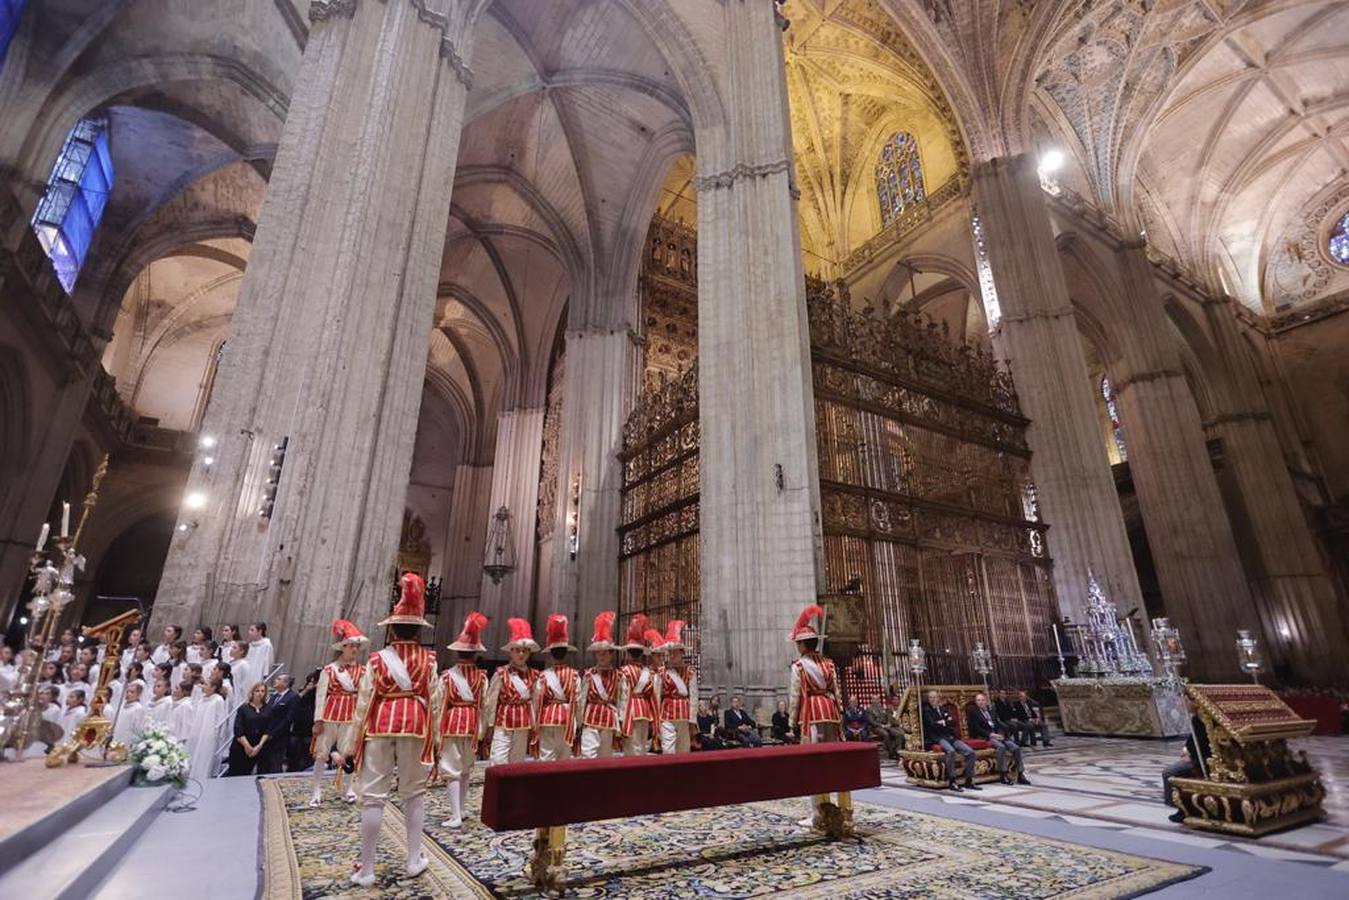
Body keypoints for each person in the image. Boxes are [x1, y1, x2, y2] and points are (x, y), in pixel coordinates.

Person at [340, 572, 441, 885]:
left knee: (373, 796)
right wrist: (436, 741)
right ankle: (413, 858)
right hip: (416, 725)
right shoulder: (429, 660)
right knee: (414, 794)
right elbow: (434, 701)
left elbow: (363, 703)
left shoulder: (376, 660)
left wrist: (349, 746)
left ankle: (367, 869)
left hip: (380, 725)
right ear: (418, 630)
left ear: (392, 629)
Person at [787, 604, 843, 827]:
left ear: (802, 645)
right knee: (832, 760)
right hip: (829, 711)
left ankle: (818, 813)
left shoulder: (799, 666)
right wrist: (840, 716)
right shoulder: (829, 664)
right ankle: (839, 807)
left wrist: (792, 722)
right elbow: (836, 693)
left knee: (814, 763)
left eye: (797, 643)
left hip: (811, 713)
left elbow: (794, 698)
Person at [436, 611, 488, 828]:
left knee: (451, 769)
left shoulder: (447, 677)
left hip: (452, 723)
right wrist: (483, 731)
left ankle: (456, 814)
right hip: (472, 724)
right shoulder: (482, 677)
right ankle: (463, 808)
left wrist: (436, 732)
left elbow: (439, 704)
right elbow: (484, 706)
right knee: (466, 768)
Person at [310, 619, 369, 807]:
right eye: (351, 646)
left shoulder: (363, 670)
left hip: (351, 713)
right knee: (321, 752)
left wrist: (363, 718)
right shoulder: (329, 669)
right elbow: (320, 695)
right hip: (330, 711)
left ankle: (349, 789)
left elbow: (364, 694)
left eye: (356, 647)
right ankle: (316, 790)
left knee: (349, 752)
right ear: (343, 647)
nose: (354, 650)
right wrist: (318, 719)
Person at [484, 618, 540, 765]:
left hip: (523, 723)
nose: (521, 654)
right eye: (517, 650)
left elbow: (535, 702)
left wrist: (534, 725)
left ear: (529, 653)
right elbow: (492, 700)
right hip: (503, 722)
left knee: (517, 762)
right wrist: (489, 726)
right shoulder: (501, 673)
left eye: (525, 651)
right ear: (511, 652)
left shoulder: (534, 675)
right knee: (498, 760)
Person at [576, 611, 623, 758]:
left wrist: (621, 721)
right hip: (590, 718)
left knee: (605, 757)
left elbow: (621, 700)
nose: (602, 656)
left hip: (609, 719)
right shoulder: (589, 675)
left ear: (611, 654)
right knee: (588, 755)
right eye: (599, 653)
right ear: (595, 654)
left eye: (606, 653)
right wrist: (578, 721)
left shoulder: (619, 675)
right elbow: (582, 699)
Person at [534, 614, 579, 761]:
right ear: (566, 653)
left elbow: (537, 700)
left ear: (551, 654)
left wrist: (535, 723)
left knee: (546, 758)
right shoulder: (574, 675)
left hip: (547, 718)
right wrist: (577, 722)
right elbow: (578, 700)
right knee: (565, 758)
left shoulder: (542, 676)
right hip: (567, 718)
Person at [619, 614, 659, 756]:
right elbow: (653, 697)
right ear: (642, 654)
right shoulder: (649, 673)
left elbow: (623, 696)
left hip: (631, 713)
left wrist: (621, 718)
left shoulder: (624, 672)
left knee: (631, 750)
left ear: (629, 653)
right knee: (642, 748)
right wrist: (655, 720)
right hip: (645, 713)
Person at [922, 690, 978, 791]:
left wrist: (943, 723)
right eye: (931, 697)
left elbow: (953, 722)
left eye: (935, 697)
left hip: (950, 736)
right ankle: (952, 781)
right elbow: (932, 725)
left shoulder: (944, 709)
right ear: (928, 699)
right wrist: (944, 722)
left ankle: (968, 780)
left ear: (938, 698)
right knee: (951, 751)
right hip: (938, 738)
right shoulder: (927, 711)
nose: (933, 700)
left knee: (970, 752)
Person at [968, 693, 1030, 785]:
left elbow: (998, 724)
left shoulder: (991, 711)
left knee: (1015, 747)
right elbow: (976, 728)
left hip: (997, 735)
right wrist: (991, 734)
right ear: (976, 702)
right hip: (985, 736)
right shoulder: (974, 713)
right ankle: (1003, 773)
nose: (981, 702)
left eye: (982, 700)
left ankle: (1020, 773)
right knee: (1001, 747)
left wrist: (1001, 733)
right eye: (978, 700)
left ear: (986, 701)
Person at [1163, 704, 1211, 823]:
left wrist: (1190, 754)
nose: (1183, 703)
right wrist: (1186, 750)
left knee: (1169, 773)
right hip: (1196, 756)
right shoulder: (1197, 718)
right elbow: (1193, 740)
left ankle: (1178, 806)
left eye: (1186, 699)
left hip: (1204, 758)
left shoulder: (1204, 719)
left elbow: (1202, 743)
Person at [657, 620, 697, 754]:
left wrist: (692, 719)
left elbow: (694, 696)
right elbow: (657, 696)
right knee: (668, 750)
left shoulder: (690, 671)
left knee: (684, 749)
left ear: (681, 653)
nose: (672, 655)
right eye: (671, 652)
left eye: (675, 652)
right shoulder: (662, 671)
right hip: (667, 713)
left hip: (684, 715)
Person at [188, 677, 228, 782]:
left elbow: (221, 720)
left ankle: (203, 778)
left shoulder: (218, 700)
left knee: (205, 756)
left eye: (205, 684)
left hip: (209, 734)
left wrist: (217, 735)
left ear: (213, 687)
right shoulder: (202, 699)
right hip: (198, 731)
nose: (203, 687)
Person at [228, 682, 271, 776]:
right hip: (241, 746)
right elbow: (238, 729)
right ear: (252, 692)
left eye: (262, 691)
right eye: (257, 691)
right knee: (235, 773)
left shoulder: (268, 708)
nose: (260, 693)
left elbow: (268, 729)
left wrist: (259, 746)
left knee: (248, 773)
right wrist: (247, 746)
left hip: (257, 746)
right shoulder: (244, 708)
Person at [261, 673, 298, 774]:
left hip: (279, 736)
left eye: (278, 679)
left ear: (285, 683)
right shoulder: (274, 696)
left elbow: (288, 719)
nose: (275, 681)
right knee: (264, 763)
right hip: (266, 734)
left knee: (275, 763)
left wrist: (273, 733)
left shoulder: (292, 697)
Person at [289, 671, 318, 773]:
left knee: (305, 760)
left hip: (310, 732)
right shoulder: (303, 691)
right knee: (293, 757)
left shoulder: (321, 693)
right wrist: (306, 689)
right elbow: (294, 703)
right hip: (297, 729)